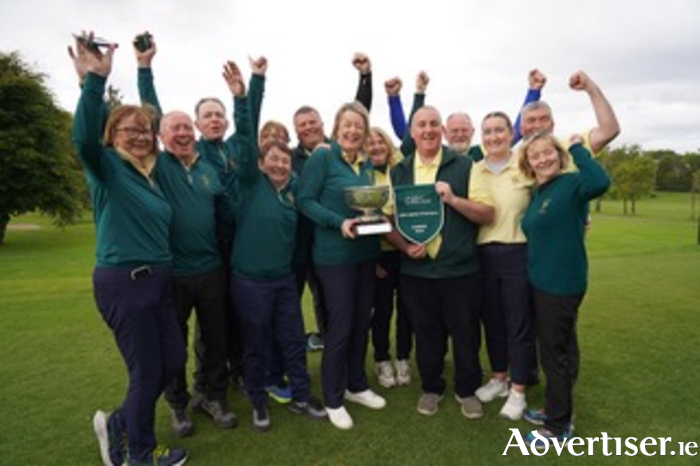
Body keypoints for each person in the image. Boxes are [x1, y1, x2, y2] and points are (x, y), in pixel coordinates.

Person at [71, 33, 187, 466]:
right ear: (112, 136)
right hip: (126, 282)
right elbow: (83, 139)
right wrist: (95, 83)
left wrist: (145, 67)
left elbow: (151, 114)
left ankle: (120, 422)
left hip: (159, 282)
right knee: (146, 372)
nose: (139, 135)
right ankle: (138, 453)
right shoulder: (108, 170)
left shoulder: (149, 175)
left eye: (143, 130)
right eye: (127, 130)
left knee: (172, 360)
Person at [134, 35, 237, 436]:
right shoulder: (159, 166)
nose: (181, 132)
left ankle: (212, 395)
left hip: (211, 270)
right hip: (173, 273)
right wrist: (144, 68)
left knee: (215, 341)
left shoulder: (209, 169)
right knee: (174, 343)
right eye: (173, 127)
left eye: (184, 128)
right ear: (162, 134)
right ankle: (178, 405)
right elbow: (150, 111)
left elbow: (229, 212)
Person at [386, 100, 495, 420]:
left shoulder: (464, 166)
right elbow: (389, 221)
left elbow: (487, 213)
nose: (429, 130)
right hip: (416, 270)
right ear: (413, 131)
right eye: (423, 124)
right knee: (426, 334)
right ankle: (431, 387)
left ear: (442, 130)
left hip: (459, 269)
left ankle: (466, 389)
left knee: (465, 334)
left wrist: (453, 199)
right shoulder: (400, 170)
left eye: (435, 124)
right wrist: (404, 247)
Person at [232, 98, 327, 429]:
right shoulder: (250, 183)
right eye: (272, 159)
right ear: (260, 164)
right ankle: (259, 402)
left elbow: (316, 205)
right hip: (249, 281)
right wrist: (242, 98)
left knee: (292, 338)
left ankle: (302, 396)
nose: (279, 165)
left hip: (284, 280)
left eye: (285, 160)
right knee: (256, 342)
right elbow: (244, 139)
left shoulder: (295, 189)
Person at [518, 131, 611, 447]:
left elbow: (600, 182)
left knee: (554, 355)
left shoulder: (571, 183)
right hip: (542, 282)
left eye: (548, 152)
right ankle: (559, 409)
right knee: (564, 350)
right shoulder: (540, 191)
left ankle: (557, 427)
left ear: (558, 155)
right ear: (529, 163)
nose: (542, 159)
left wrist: (578, 149)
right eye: (535, 155)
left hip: (561, 285)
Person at [297, 101, 385, 430]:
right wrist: (338, 223)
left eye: (358, 127)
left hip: (364, 257)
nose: (352, 131)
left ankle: (356, 385)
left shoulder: (364, 165)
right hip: (334, 259)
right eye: (347, 125)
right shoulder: (322, 157)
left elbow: (367, 211)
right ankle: (334, 397)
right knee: (341, 326)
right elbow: (305, 200)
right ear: (336, 128)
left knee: (363, 322)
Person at [292, 53, 373, 352]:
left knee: (332, 305)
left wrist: (365, 77)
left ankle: (335, 351)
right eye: (302, 125)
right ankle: (318, 355)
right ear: (296, 130)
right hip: (303, 243)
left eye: (313, 122)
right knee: (305, 303)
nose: (309, 127)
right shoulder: (292, 158)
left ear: (325, 125)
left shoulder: (345, 154)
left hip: (341, 243)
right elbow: (303, 199)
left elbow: (357, 115)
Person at [470, 111, 537, 421]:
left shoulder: (525, 164)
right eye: (488, 131)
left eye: (499, 130)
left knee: (518, 324)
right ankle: (498, 378)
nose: (493, 136)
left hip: (518, 251)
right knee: (493, 321)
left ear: (511, 133)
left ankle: (518, 390)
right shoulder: (475, 168)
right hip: (484, 253)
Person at [364, 126, 413, 388]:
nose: (376, 147)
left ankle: (403, 357)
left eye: (380, 142)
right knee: (382, 311)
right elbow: (364, 220)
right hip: (378, 256)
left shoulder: (402, 171)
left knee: (408, 309)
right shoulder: (362, 175)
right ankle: (382, 359)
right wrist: (371, 261)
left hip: (405, 253)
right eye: (370, 144)